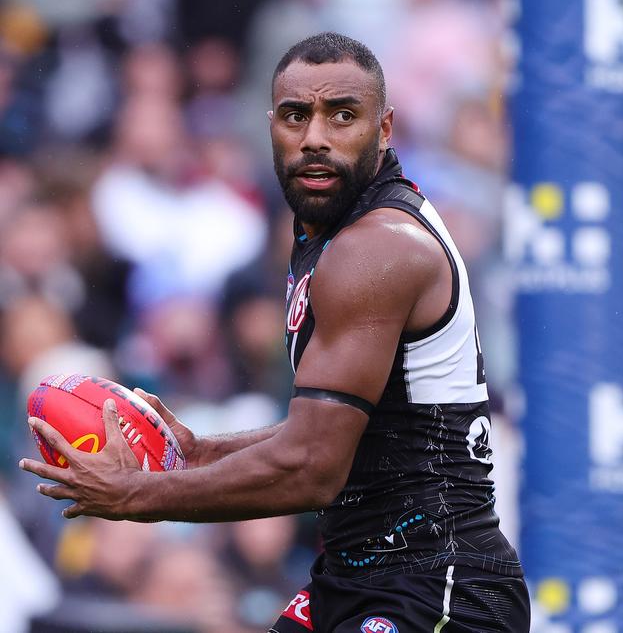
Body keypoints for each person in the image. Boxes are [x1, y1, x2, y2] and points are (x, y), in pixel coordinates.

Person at [20, 33, 530, 632]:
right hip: (360, 575)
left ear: (385, 128)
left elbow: (313, 465)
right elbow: (336, 427)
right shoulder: (328, 230)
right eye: (296, 116)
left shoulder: (376, 249)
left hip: (439, 588)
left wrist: (137, 496)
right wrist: (204, 451)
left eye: (342, 115)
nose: (315, 137)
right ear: (271, 128)